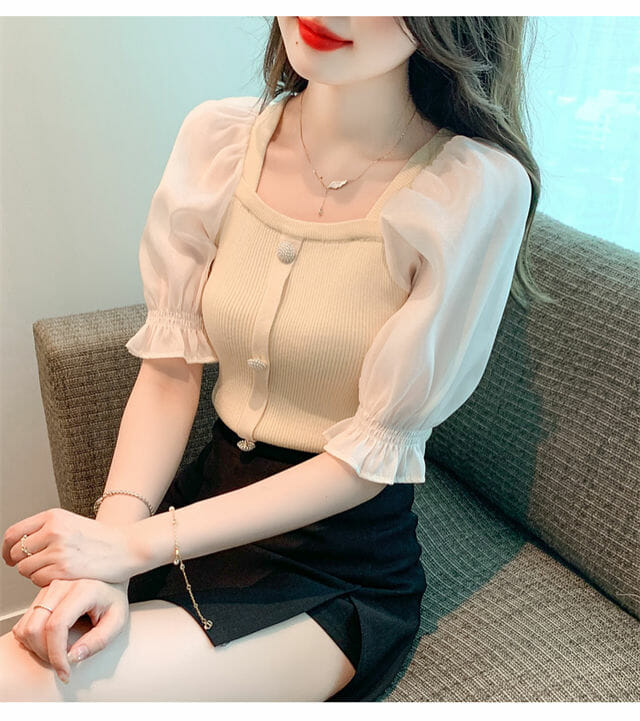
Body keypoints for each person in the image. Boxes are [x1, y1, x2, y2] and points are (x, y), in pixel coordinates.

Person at [0, 16, 550, 701]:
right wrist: (111, 547)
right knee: (30, 656)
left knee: (23, 685)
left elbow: (368, 460)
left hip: (332, 563)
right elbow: (169, 372)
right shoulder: (219, 140)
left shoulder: (471, 188)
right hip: (200, 503)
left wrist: (133, 547)